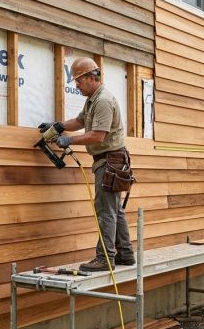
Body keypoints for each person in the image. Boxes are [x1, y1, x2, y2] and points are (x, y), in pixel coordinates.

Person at [39, 57, 135, 271]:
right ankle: (125, 253)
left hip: (110, 161)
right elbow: (81, 121)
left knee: (105, 210)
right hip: (110, 161)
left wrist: (69, 140)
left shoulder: (103, 100)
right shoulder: (93, 99)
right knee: (114, 210)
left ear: (92, 77)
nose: (77, 86)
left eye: (79, 81)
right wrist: (59, 126)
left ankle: (105, 258)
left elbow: (98, 136)